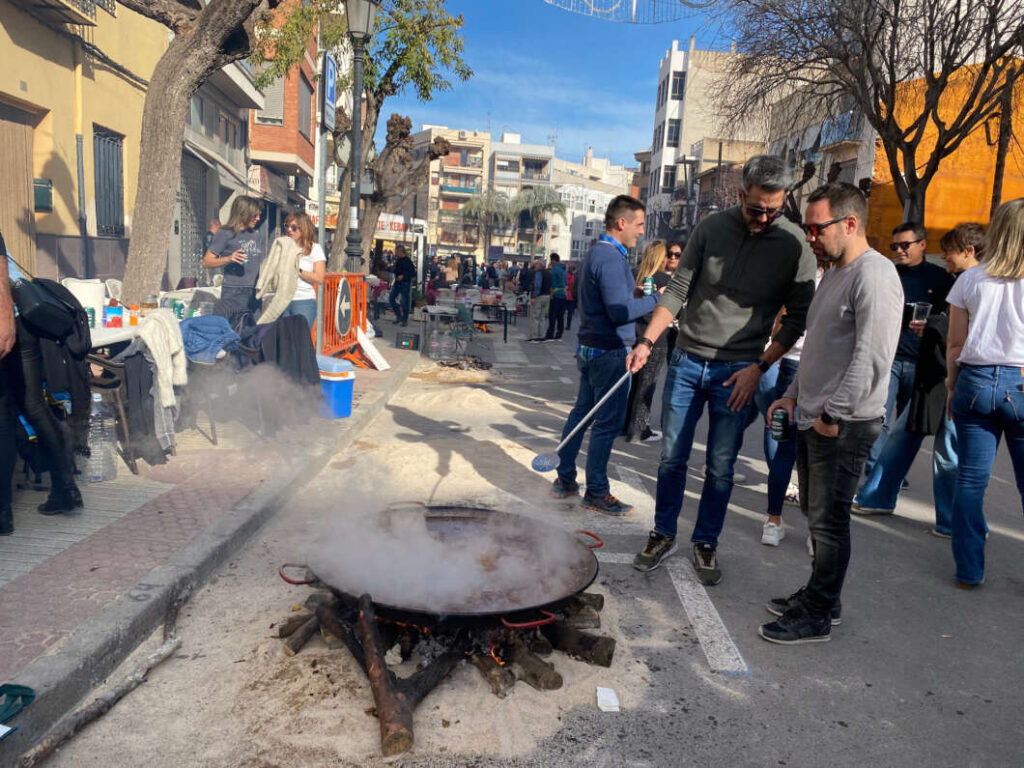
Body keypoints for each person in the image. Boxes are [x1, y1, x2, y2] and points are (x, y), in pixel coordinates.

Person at [627, 155, 817, 583]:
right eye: (755, 208)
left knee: (720, 464)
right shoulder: (710, 229)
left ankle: (706, 541)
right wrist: (646, 341)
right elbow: (677, 288)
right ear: (740, 195)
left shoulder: (794, 245)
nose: (763, 218)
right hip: (687, 361)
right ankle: (662, 533)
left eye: (773, 209)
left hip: (740, 370)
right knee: (672, 456)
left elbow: (799, 315)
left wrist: (761, 365)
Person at [758, 182, 903, 644]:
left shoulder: (874, 275)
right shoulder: (834, 274)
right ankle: (824, 597)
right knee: (818, 517)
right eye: (807, 229)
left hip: (844, 423)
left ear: (850, 223)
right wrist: (793, 395)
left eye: (816, 228)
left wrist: (832, 415)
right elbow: (818, 349)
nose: (811, 238)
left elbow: (872, 356)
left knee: (829, 520)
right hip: (815, 415)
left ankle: (817, 615)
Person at [853, 223, 985, 532]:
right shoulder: (961, 279)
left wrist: (937, 333)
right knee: (901, 435)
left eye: (949, 252)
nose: (945, 258)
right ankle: (877, 497)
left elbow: (968, 335)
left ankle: (954, 522)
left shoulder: (977, 282)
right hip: (933, 374)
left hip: (953, 377)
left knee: (947, 451)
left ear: (968, 251)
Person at [551, 195, 659, 516]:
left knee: (581, 414)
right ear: (622, 223)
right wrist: (657, 301)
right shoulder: (610, 259)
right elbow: (618, 312)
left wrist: (632, 295)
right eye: (639, 225)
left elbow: (594, 298)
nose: (642, 232)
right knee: (605, 424)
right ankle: (596, 491)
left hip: (589, 347)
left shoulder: (594, 255)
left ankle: (566, 479)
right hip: (609, 351)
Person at [946, 199, 1024, 588]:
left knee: (971, 481)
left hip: (975, 381)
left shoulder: (971, 279)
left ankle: (969, 569)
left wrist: (950, 385)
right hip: (1022, 380)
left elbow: (955, 344)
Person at [1, 232, 84, 533]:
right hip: (23, 319)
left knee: (5, 417)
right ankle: (66, 488)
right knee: (34, 406)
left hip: (7, 321)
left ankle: (3, 512)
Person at [862, 221, 955, 480]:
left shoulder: (941, 278)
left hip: (922, 362)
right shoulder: (888, 273)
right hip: (889, 358)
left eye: (905, 245)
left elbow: (950, 320)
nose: (899, 251)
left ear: (922, 245)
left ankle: (893, 475)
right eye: (895, 246)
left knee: (908, 427)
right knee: (877, 420)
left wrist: (933, 327)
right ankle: (875, 475)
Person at [622, 240, 673, 443]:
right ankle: (639, 429)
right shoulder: (663, 279)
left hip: (634, 334)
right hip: (656, 338)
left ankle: (626, 425)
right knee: (647, 384)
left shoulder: (635, 275)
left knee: (633, 383)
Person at [204, 196, 266, 323]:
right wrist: (229, 258)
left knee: (253, 333)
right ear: (244, 213)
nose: (258, 219)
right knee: (234, 330)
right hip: (234, 290)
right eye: (255, 216)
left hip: (255, 291)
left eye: (259, 215)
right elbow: (206, 261)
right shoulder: (225, 233)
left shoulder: (256, 235)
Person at [280, 212, 326, 329]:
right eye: (287, 226)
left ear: (304, 229)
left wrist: (298, 270)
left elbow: (319, 278)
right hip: (281, 300)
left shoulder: (315, 249)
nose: (289, 230)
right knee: (284, 341)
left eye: (294, 227)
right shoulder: (282, 246)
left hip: (303, 300)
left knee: (300, 341)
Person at [389, 245, 416, 326]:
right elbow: (396, 269)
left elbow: (412, 273)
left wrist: (403, 276)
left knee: (404, 302)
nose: (395, 252)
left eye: (396, 251)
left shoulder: (408, 261)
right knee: (391, 299)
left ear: (400, 251)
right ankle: (398, 316)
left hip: (405, 283)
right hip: (397, 283)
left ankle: (404, 319)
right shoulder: (398, 260)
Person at [544, 253, 568, 342]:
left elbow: (553, 282)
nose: (551, 263)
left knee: (552, 315)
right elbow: (566, 282)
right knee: (560, 316)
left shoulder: (554, 269)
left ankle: (550, 333)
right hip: (563, 294)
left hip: (556, 294)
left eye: (551, 261)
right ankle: (559, 333)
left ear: (554, 260)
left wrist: (551, 293)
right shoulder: (564, 269)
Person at [528, 258, 552, 342]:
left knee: (535, 316)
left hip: (539, 296)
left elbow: (537, 285)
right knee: (542, 317)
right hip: (547, 296)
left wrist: (533, 297)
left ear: (539, 265)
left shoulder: (539, 273)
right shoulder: (548, 273)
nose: (534, 266)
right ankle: (541, 335)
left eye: (535, 264)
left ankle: (534, 336)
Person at [565, 266, 577, 331]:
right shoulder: (575, 278)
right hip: (572, 296)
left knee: (562, 311)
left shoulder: (566, 277)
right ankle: (568, 325)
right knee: (570, 312)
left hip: (566, 295)